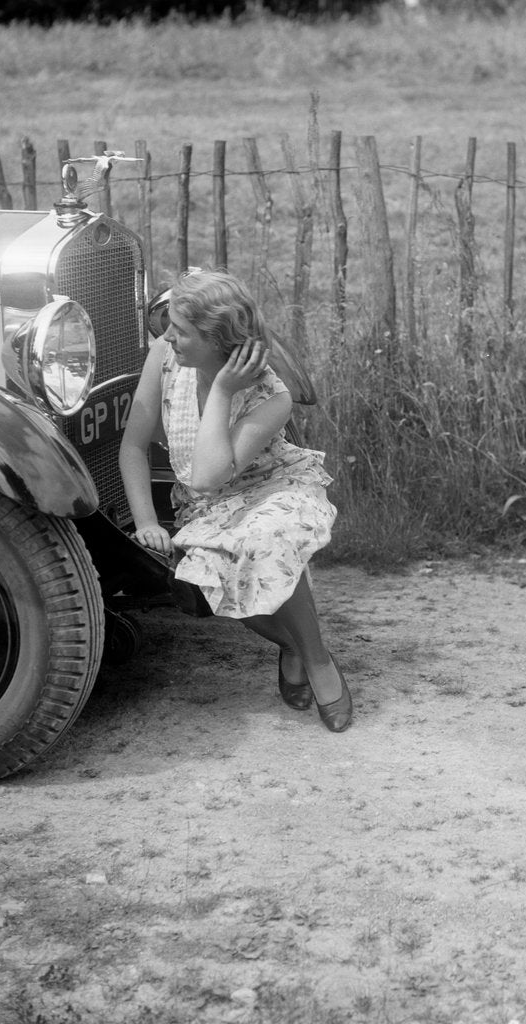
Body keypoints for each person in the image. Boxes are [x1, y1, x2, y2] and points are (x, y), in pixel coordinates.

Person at [119, 268, 352, 733]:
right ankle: (296, 647)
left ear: (215, 340)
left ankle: (318, 662)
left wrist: (223, 389)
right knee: (216, 576)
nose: (167, 336)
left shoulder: (271, 396)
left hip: (271, 488)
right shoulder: (164, 356)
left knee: (266, 540)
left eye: (181, 330)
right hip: (206, 507)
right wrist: (146, 520)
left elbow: (209, 475)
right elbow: (133, 447)